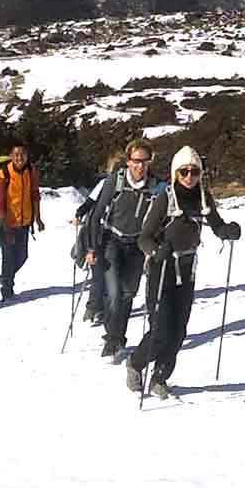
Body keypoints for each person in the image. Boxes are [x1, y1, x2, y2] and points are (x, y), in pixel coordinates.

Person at [125, 146, 241, 399]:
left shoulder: (203, 198)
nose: (190, 176)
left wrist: (228, 231)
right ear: (175, 173)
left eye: (194, 171)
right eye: (184, 171)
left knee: (178, 330)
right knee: (161, 329)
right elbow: (144, 238)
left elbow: (217, 225)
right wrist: (156, 251)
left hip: (187, 270)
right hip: (162, 268)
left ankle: (160, 377)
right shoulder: (166, 198)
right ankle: (135, 363)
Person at [86, 139, 164, 362]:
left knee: (128, 294)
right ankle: (113, 341)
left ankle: (117, 337)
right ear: (128, 161)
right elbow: (96, 214)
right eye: (136, 161)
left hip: (138, 245)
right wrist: (91, 247)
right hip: (112, 240)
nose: (140, 166)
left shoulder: (157, 186)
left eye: (144, 161)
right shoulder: (116, 182)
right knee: (115, 293)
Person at [74, 150, 124, 325]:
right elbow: (88, 203)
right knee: (98, 272)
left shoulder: (122, 186)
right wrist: (79, 214)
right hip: (97, 232)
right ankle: (94, 307)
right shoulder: (105, 184)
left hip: (112, 235)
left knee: (107, 272)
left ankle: (99, 307)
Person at [0, 143, 45, 301]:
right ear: (11, 156)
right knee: (8, 257)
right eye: (16, 154)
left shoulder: (31, 171)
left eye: (22, 154)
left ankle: (5, 277)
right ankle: (7, 290)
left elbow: (35, 195)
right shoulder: (3, 175)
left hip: (24, 222)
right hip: (7, 223)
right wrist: (4, 224)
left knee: (22, 256)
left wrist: (38, 218)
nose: (20, 157)